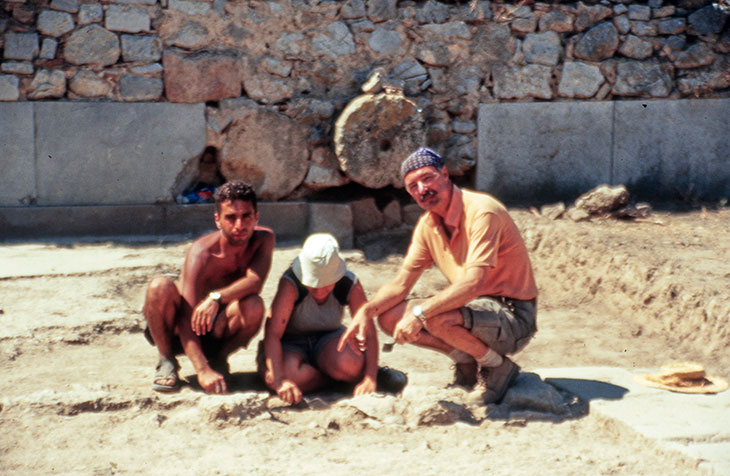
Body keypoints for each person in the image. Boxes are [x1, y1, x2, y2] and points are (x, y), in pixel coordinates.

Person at [339, 147, 538, 404]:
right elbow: (401, 284)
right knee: (389, 317)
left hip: (514, 316)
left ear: (445, 174)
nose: (422, 189)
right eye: (413, 186)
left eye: (427, 177)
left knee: (433, 315)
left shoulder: (482, 211)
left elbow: (474, 283)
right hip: (477, 309)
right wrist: (366, 311)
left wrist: (420, 314)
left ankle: (497, 366)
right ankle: (466, 360)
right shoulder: (428, 225)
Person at [142, 180, 274, 394]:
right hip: (178, 332)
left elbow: (255, 282)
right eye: (231, 217)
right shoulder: (202, 253)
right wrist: (200, 370)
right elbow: (185, 317)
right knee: (159, 287)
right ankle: (166, 360)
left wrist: (215, 297)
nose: (239, 225)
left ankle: (218, 360)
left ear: (256, 216)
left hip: (216, 329)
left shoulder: (264, 239)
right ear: (218, 220)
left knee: (254, 305)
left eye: (246, 216)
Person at [259, 233, 389, 405]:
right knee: (284, 375)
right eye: (313, 284)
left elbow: (369, 331)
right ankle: (331, 381)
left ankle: (339, 376)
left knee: (351, 366)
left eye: (326, 284)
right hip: (291, 343)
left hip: (329, 338)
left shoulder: (348, 283)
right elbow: (273, 333)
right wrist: (280, 379)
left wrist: (370, 377)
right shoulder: (291, 283)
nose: (319, 291)